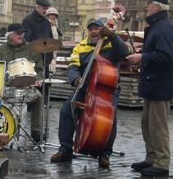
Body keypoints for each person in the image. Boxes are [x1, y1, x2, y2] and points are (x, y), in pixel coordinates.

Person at [50, 18, 129, 168]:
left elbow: (125, 52)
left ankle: (104, 153)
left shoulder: (112, 43)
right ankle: (66, 149)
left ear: (102, 30)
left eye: (97, 28)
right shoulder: (81, 46)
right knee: (67, 110)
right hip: (85, 87)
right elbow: (73, 66)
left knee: (109, 119)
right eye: (91, 29)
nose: (94, 31)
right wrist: (75, 79)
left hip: (107, 89)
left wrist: (112, 35)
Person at [126, 0, 173, 177]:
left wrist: (142, 57)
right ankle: (151, 158)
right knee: (147, 123)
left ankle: (161, 163)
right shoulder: (158, 25)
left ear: (157, 6)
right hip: (153, 83)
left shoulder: (164, 27)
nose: (146, 6)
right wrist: (145, 50)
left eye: (149, 3)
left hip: (161, 84)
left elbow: (166, 56)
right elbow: (159, 50)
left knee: (158, 126)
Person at [0, 23, 44, 142]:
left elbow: (39, 68)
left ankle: (36, 131)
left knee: (39, 98)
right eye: (18, 33)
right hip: (6, 87)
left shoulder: (31, 48)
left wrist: (38, 78)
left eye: (22, 33)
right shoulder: (1, 49)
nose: (21, 35)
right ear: (10, 35)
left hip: (26, 87)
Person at [22, 0, 54, 77]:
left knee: (45, 86)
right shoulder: (28, 20)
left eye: (47, 8)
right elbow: (27, 39)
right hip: (33, 60)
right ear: (37, 7)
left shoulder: (46, 22)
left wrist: (50, 57)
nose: (45, 11)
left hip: (45, 60)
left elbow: (51, 39)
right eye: (44, 8)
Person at [45, 6, 63, 74]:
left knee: (53, 58)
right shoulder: (46, 23)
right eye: (52, 14)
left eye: (55, 15)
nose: (53, 16)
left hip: (54, 44)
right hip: (48, 44)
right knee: (49, 59)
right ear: (48, 15)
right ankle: (48, 71)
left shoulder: (55, 24)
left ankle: (51, 71)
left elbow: (58, 34)